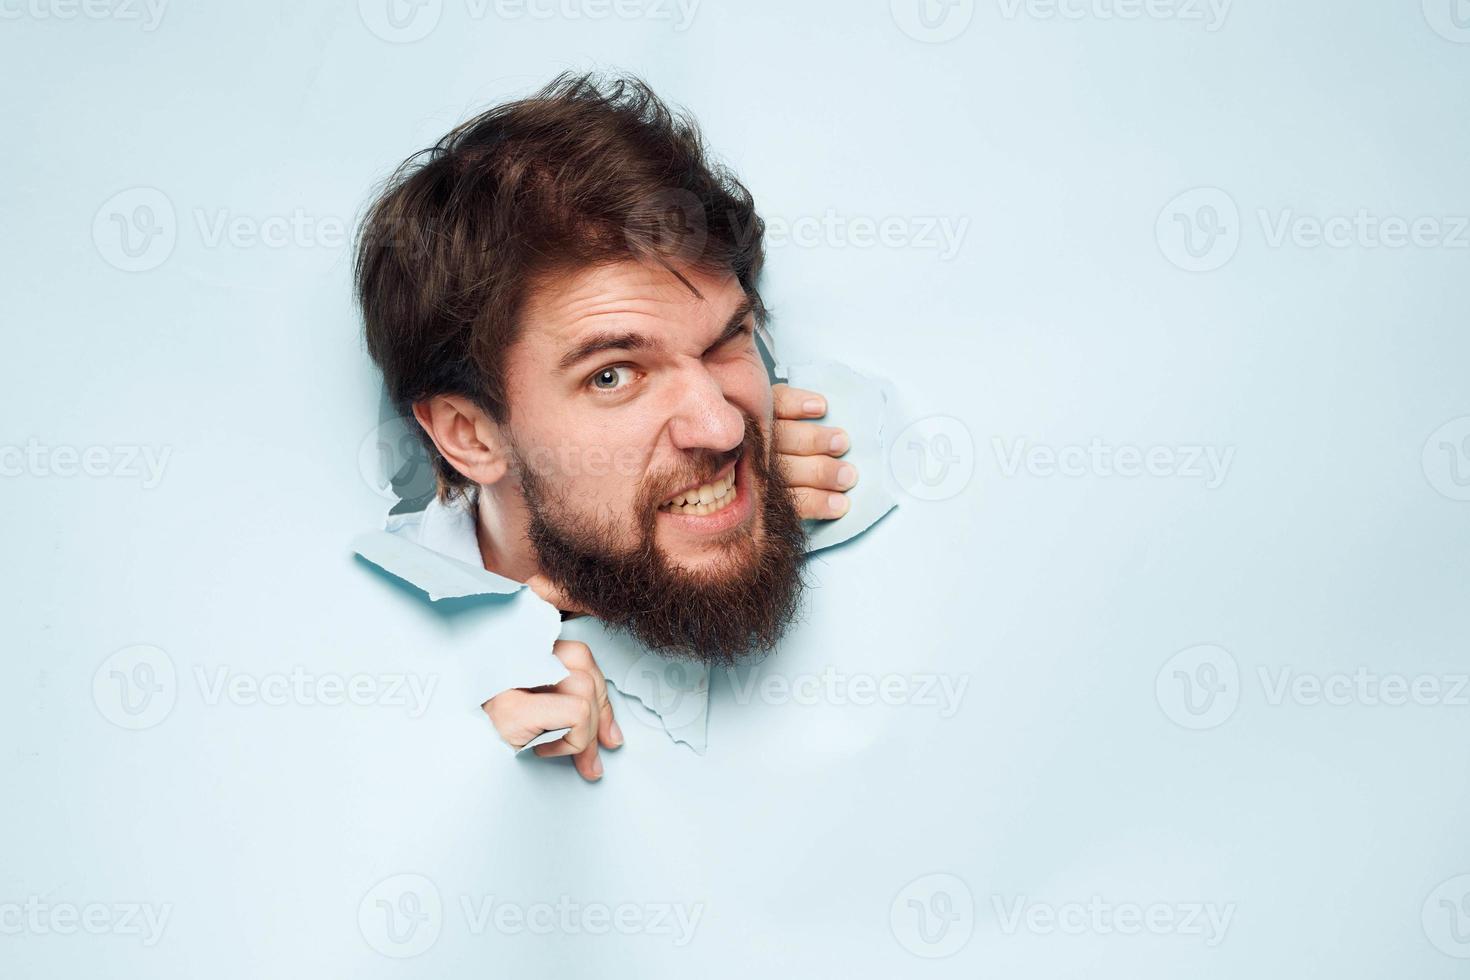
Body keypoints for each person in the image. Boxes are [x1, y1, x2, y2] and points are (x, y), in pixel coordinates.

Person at [354, 73, 860, 780]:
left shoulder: (846, 494)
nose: (721, 428)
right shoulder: (375, 677)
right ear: (470, 435)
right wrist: (457, 730)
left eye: (727, 338)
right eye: (613, 375)